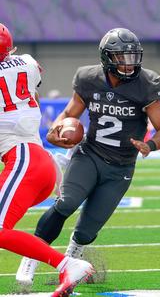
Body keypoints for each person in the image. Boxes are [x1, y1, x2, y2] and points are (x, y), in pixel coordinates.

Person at [16, 27, 160, 284]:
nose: (128, 63)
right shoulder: (89, 78)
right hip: (90, 154)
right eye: (121, 57)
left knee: (87, 230)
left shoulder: (146, 83)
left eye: (132, 57)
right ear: (107, 57)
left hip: (120, 167)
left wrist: (151, 145)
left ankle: (71, 262)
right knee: (66, 203)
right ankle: (30, 259)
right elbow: (69, 114)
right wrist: (56, 130)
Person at [0, 23, 94, 296]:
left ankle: (67, 264)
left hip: (24, 160)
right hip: (36, 161)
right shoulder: (27, 63)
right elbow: (31, 94)